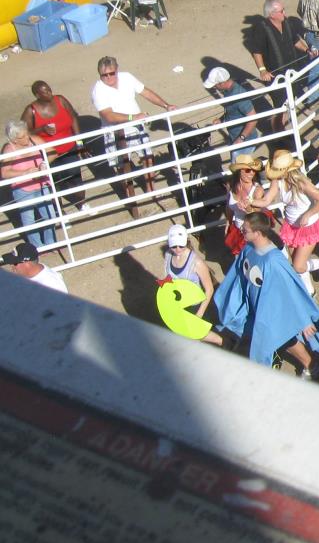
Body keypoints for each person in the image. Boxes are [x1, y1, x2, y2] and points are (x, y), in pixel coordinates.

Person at [215, 211, 319, 377]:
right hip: (255, 305)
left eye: (246, 230)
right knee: (274, 337)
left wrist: (304, 321)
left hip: (273, 308)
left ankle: (311, 366)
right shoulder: (249, 248)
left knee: (283, 337)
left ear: (257, 233)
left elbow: (291, 288)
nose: (242, 230)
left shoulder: (274, 260)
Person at [90, 56, 177, 215]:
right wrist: (132, 117)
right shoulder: (98, 90)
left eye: (111, 73)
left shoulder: (127, 77)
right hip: (115, 131)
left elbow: (145, 92)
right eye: (104, 75)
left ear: (117, 70)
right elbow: (108, 115)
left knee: (147, 157)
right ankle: (130, 198)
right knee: (122, 166)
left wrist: (165, 105)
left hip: (136, 127)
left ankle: (152, 190)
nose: (109, 77)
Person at [250, 151, 319, 294]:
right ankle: (311, 289)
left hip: (308, 227)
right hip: (291, 227)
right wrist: (252, 202)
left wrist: (308, 214)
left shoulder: (302, 184)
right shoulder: (277, 181)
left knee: (297, 266)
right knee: (298, 264)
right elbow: (267, 200)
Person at [22, 80, 84, 210]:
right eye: (45, 92)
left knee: (75, 174)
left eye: (49, 89)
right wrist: (41, 130)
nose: (49, 93)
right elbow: (23, 132)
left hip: (69, 147)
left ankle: (81, 203)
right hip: (48, 153)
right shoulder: (30, 111)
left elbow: (73, 117)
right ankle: (59, 211)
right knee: (53, 181)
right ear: (37, 95)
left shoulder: (60, 100)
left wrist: (79, 141)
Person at [159, 223, 225, 346]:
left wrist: (200, 313)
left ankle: (226, 344)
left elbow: (209, 289)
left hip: (195, 305)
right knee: (189, 336)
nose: (177, 249)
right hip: (178, 305)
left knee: (199, 335)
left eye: (181, 246)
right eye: (174, 246)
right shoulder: (168, 255)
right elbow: (167, 277)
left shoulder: (196, 263)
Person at [3, 120, 56, 248]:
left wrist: (44, 164)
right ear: (14, 139)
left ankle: (51, 243)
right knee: (29, 221)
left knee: (51, 216)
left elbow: (53, 152)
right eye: (22, 137)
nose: (27, 137)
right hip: (23, 189)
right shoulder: (9, 150)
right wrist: (25, 173)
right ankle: (37, 247)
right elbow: (4, 173)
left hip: (42, 184)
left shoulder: (34, 140)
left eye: (26, 134)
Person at [249, 0, 311, 85]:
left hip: (293, 70)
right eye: (281, 11)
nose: (284, 13)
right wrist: (262, 71)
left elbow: (295, 41)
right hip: (275, 76)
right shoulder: (261, 29)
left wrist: (307, 50)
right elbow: (257, 52)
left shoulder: (286, 23)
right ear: (272, 14)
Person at [202, 66, 261, 156]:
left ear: (221, 83)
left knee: (238, 168)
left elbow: (253, 118)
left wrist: (241, 138)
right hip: (236, 138)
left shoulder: (238, 95)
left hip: (244, 141)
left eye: (215, 85)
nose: (214, 87)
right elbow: (233, 110)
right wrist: (221, 119)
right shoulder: (228, 91)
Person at [223, 153, 265, 255]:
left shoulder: (257, 190)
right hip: (238, 229)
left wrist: (248, 208)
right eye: (247, 170)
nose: (252, 173)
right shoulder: (231, 186)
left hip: (253, 232)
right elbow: (229, 207)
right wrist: (228, 223)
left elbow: (258, 214)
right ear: (239, 171)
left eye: (254, 170)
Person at [1, 240, 67, 293]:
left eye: (15, 263)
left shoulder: (52, 286)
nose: (11, 266)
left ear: (27, 264)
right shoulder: (34, 273)